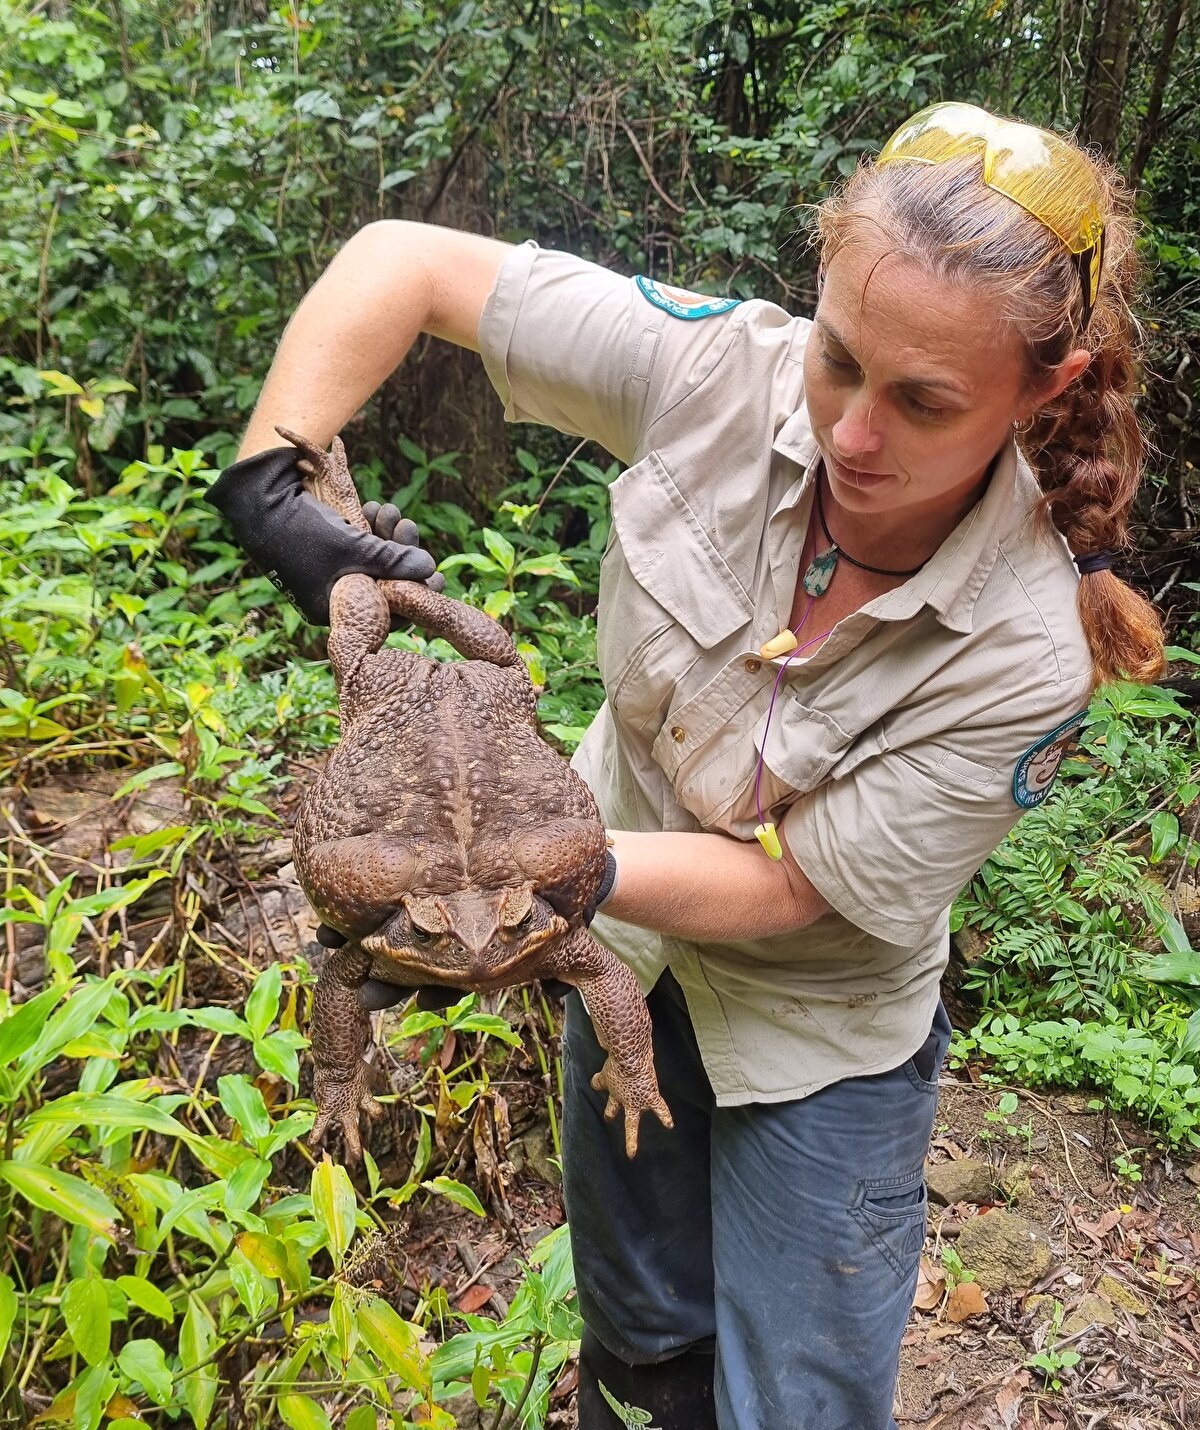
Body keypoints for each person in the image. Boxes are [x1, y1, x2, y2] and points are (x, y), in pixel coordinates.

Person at [209, 102, 1165, 1429]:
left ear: (1041, 392)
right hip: (622, 969)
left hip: (814, 1030)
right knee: (642, 1338)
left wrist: (516, 878)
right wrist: (273, 477)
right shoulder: (720, 370)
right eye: (840, 358)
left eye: (924, 401)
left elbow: (791, 889)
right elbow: (404, 264)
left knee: (799, 1398)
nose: (852, 431)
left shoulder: (1026, 650)